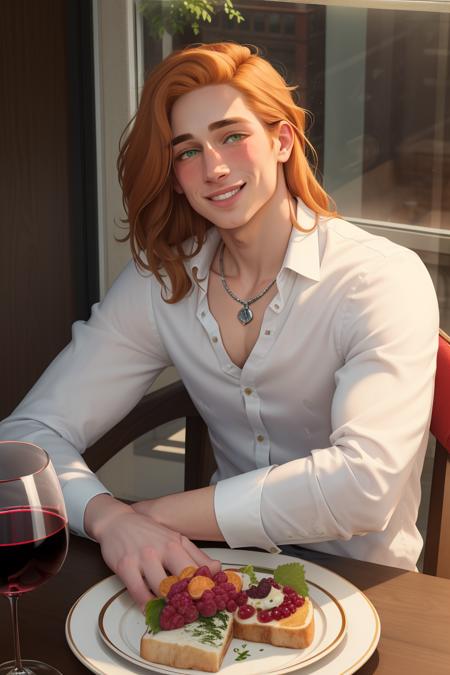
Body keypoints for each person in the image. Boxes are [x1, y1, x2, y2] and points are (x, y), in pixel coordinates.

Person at [0, 42, 439, 612]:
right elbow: (23, 437)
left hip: (367, 589)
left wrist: (152, 516)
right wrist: (109, 519)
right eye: (188, 151)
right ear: (175, 177)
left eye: (233, 135)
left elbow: (365, 487)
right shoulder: (163, 280)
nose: (215, 167)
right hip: (218, 575)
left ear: (281, 141)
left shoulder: (380, 279)